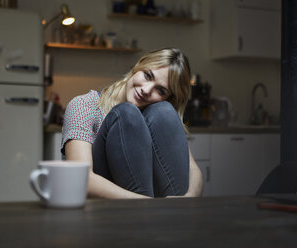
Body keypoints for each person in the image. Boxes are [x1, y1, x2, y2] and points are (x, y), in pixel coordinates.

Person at [61, 48, 203, 199]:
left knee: (165, 112)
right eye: (147, 75)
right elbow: (82, 180)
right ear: (138, 66)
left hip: (154, 209)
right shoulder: (84, 105)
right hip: (100, 209)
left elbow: (193, 170)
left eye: (160, 91)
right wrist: (149, 204)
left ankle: (176, 216)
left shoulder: (158, 116)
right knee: (126, 114)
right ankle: (154, 218)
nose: (146, 90)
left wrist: (189, 198)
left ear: (167, 97)